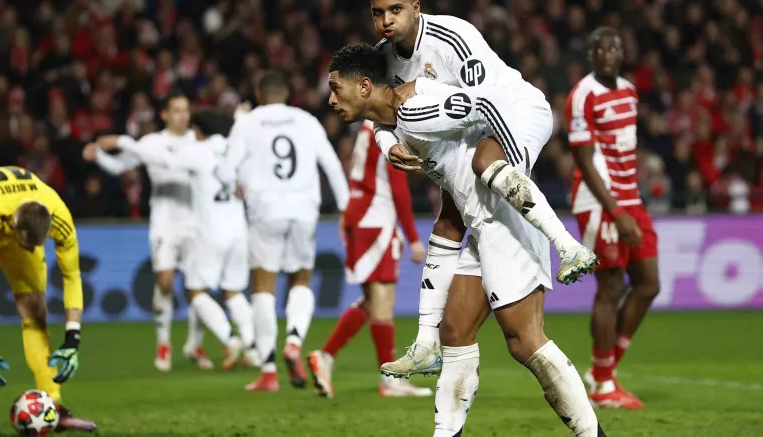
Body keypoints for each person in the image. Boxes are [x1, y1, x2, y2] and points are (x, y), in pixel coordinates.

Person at [327, 42, 607, 437]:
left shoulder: (417, 112)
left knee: (525, 341)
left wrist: (506, 165)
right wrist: (388, 142)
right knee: (455, 331)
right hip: (480, 222)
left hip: (506, 218)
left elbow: (487, 105)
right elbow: (388, 125)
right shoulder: (397, 125)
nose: (331, 98)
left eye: (337, 88)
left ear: (366, 86)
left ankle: (593, 435)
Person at [361, 0, 598, 379]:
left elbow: (487, 104)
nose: (386, 21)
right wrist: (390, 143)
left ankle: (568, 245)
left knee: (485, 166)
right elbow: (380, 114)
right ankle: (425, 344)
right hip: (469, 132)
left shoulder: (452, 36)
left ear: (416, 7)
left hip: (517, 111)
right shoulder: (384, 59)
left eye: (395, 10)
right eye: (378, 13)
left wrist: (424, 93)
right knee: (449, 221)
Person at [94, 110, 255, 370]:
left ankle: (229, 339)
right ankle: (254, 347)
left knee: (195, 291)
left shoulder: (196, 151)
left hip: (209, 230)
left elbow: (165, 160)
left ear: (199, 132)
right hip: (239, 230)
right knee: (234, 291)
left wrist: (124, 142)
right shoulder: (235, 147)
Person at [221, 70, 350, 391]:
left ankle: (267, 370)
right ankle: (294, 340)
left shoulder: (247, 122)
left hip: (265, 208)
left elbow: (225, 171)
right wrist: (347, 210)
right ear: (287, 94)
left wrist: (240, 189)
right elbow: (332, 166)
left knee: (264, 284)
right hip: (304, 209)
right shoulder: (306, 120)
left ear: (260, 94)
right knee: (301, 278)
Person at [83, 91, 220, 371]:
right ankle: (163, 343)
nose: (183, 115)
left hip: (197, 220)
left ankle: (194, 344)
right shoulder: (152, 143)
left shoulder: (200, 140)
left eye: (186, 110)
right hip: (165, 221)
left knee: (199, 286)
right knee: (166, 282)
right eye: (177, 110)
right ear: (165, 115)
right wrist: (98, 156)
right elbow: (120, 166)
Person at [566, 27, 660, 409]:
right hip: (597, 198)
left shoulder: (629, 90)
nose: (606, 54)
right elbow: (584, 162)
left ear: (622, 52)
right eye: (598, 49)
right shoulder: (582, 95)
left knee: (648, 283)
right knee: (609, 288)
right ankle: (604, 386)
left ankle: (604, 368)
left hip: (629, 195)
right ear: (590, 54)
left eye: (613, 48)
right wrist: (615, 211)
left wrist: (629, 201)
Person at [0, 165, 96, 435]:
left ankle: (55, 408)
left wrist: (73, 338)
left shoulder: (58, 214)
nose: (33, 251)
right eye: (28, 245)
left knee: (36, 312)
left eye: (39, 244)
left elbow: (71, 276)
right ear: (14, 226)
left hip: (13, 209)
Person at [307, 120, 431, 398]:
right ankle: (390, 381)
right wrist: (412, 237)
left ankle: (325, 356)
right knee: (383, 302)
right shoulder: (386, 129)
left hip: (362, 217)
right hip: (375, 222)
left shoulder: (368, 127)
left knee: (373, 302)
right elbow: (398, 188)